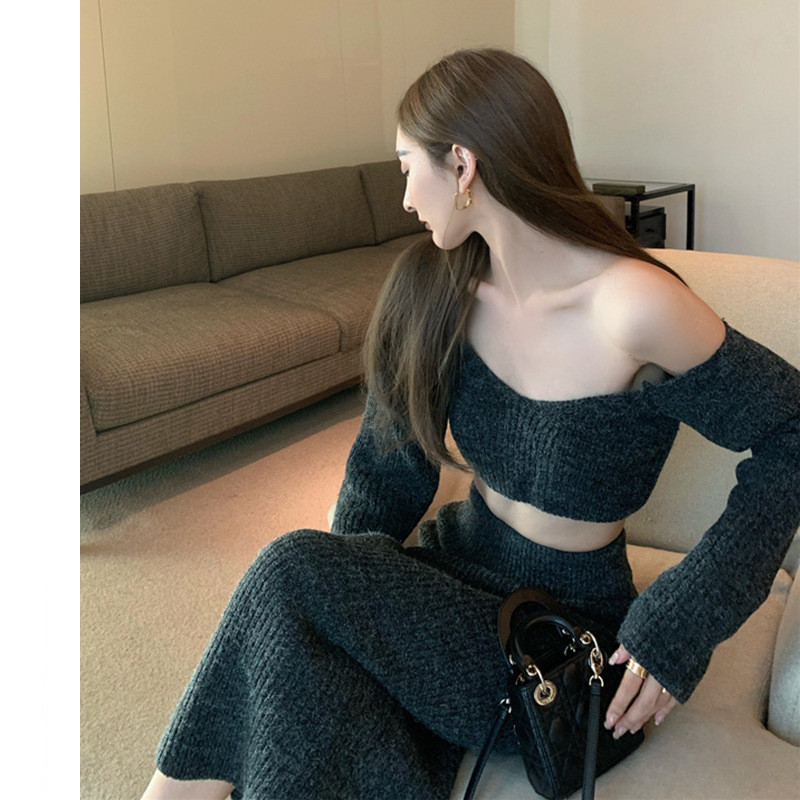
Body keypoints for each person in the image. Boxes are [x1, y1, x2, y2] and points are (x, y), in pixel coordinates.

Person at [142, 48, 800, 800]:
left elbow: (793, 431)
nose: (404, 199)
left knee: (291, 570)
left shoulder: (635, 307)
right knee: (302, 651)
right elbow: (385, 472)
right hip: (449, 574)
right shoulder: (434, 287)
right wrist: (353, 595)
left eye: (406, 168)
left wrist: (681, 622)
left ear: (462, 164)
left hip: (559, 638)